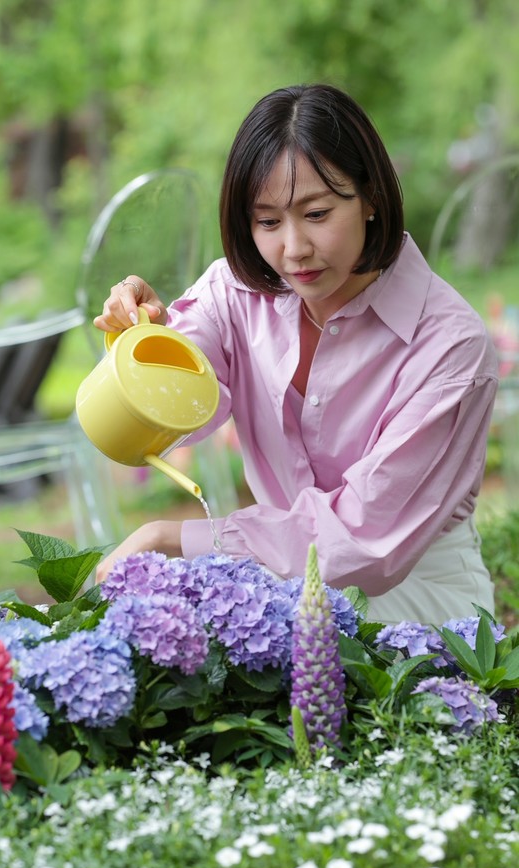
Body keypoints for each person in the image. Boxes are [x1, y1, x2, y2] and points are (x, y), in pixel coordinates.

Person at [93, 83, 498, 625]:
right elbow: (159, 426)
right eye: (267, 222)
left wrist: (176, 539)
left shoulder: (450, 345)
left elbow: (364, 545)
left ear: (372, 196)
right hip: (277, 591)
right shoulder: (234, 295)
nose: (293, 249)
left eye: (316, 213)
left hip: (418, 606)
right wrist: (143, 345)